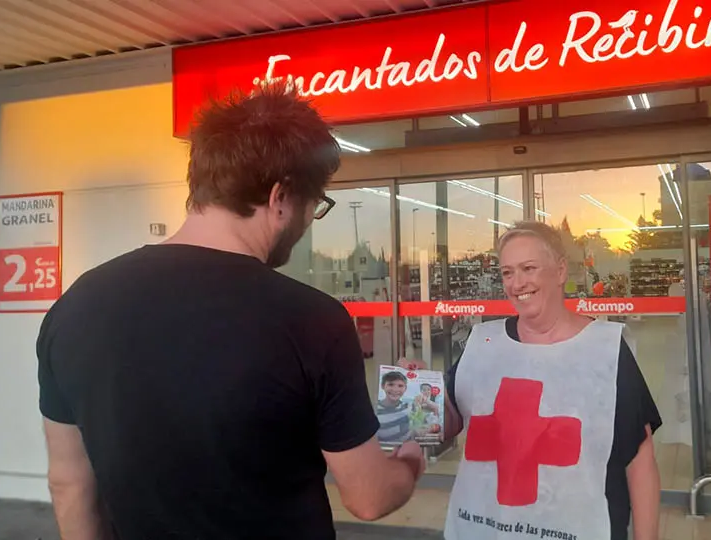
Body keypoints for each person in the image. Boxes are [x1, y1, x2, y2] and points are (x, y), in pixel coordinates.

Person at [36, 83, 425, 540]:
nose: (305, 224)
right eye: (312, 206)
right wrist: (411, 462)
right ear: (281, 198)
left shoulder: (75, 307)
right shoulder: (311, 319)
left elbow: (69, 485)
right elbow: (369, 496)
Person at [437, 220, 662, 540]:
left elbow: (639, 459)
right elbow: (447, 422)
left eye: (528, 268)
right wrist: (419, 391)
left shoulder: (605, 350)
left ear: (559, 271)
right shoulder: (482, 345)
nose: (517, 283)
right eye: (507, 272)